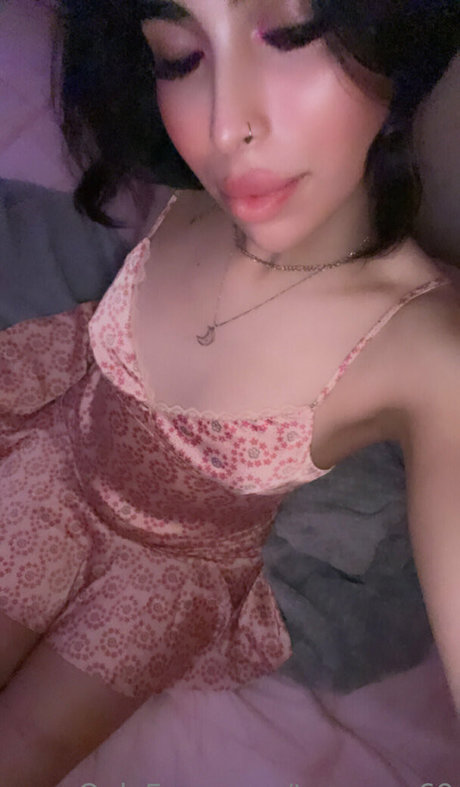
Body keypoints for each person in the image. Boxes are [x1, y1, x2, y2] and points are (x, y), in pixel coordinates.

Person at [0, 0, 459, 784]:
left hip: (166, 578)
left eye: (291, 36)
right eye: (178, 56)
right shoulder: (188, 195)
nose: (222, 126)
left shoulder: (423, 347)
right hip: (56, 465)